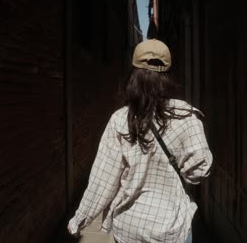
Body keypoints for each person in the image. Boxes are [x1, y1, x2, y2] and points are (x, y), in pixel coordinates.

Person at [67, 39, 213, 243]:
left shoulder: (120, 119)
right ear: (168, 73)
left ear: (133, 73)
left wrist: (80, 219)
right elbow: (197, 173)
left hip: (128, 228)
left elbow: (103, 180)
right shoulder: (186, 116)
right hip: (170, 229)